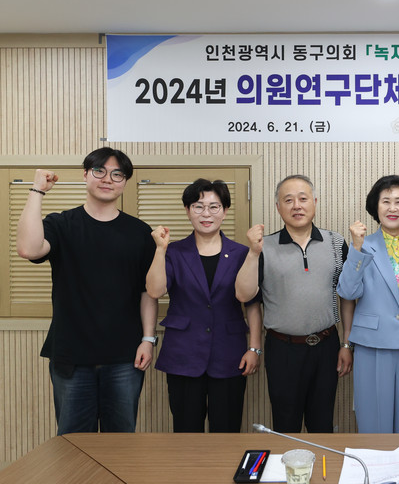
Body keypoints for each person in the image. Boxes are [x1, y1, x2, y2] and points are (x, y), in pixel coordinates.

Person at [16, 147, 157, 435]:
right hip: (71, 355)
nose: (108, 179)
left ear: (125, 182)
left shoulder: (141, 233)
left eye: (117, 174)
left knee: (121, 441)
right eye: (99, 171)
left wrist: (148, 339)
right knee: (73, 443)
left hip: (125, 357)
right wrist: (37, 191)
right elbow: (28, 249)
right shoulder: (61, 224)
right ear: (85, 175)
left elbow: (148, 292)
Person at [235, 174, 355, 433]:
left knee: (322, 424)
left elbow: (347, 295)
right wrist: (253, 252)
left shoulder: (336, 243)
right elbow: (245, 297)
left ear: (315, 202)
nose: (297, 206)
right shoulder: (264, 246)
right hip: (282, 349)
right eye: (288, 200)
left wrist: (346, 343)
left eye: (303, 199)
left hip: (326, 346)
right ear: (278, 207)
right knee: (285, 425)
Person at [146, 179, 262, 433]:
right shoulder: (173, 252)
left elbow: (251, 303)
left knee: (227, 429)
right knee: (186, 430)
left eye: (214, 207)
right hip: (183, 354)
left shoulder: (243, 253)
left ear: (225, 211)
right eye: (198, 207)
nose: (206, 214)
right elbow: (154, 291)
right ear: (188, 211)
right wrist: (160, 250)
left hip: (229, 353)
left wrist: (254, 348)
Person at [336, 175, 399, 433]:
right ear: (376, 206)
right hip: (371, 345)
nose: (392, 208)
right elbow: (347, 291)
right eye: (386, 201)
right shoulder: (362, 245)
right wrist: (356, 249)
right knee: (373, 423)